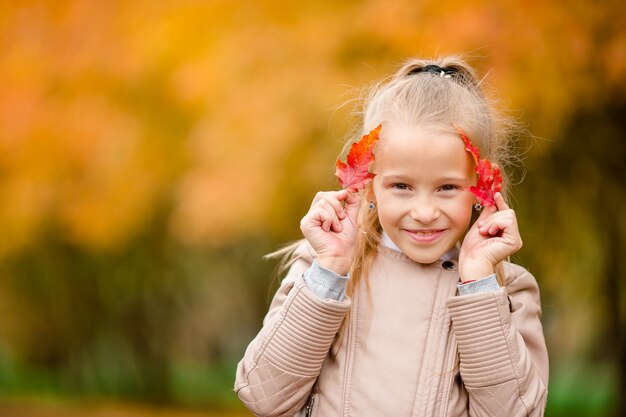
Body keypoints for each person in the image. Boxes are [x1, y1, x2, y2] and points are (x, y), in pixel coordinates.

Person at [234, 56, 549, 417]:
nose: (425, 211)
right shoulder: (325, 272)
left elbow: (516, 412)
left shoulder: (504, 291)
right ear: (368, 185)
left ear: (482, 189)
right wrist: (330, 268)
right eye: (401, 186)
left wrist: (478, 282)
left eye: (447, 187)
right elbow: (262, 396)